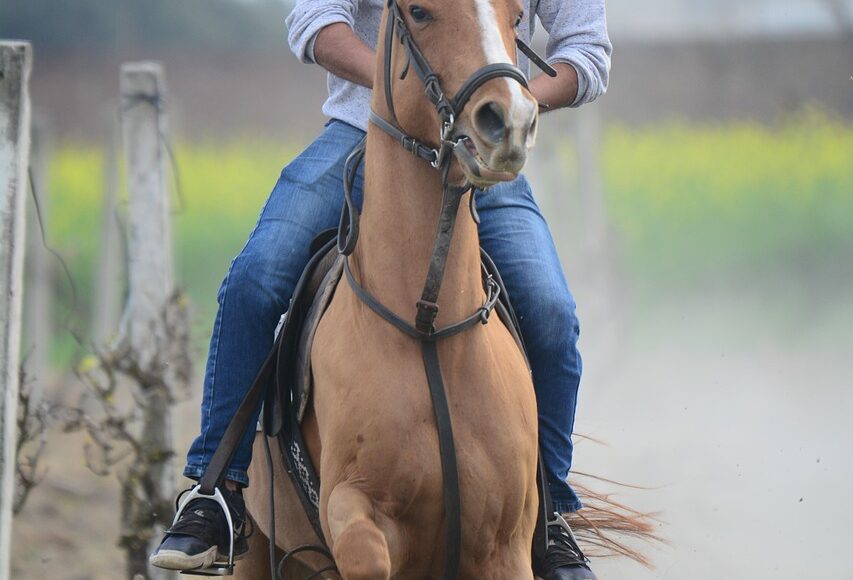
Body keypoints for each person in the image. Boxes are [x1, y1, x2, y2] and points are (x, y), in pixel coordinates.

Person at [150, 1, 611, 578]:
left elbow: (586, 51)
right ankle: (215, 493)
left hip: (479, 141)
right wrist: (408, 89)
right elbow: (315, 21)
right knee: (256, 278)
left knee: (551, 311)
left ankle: (551, 516)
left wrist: (507, 101)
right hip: (365, 130)